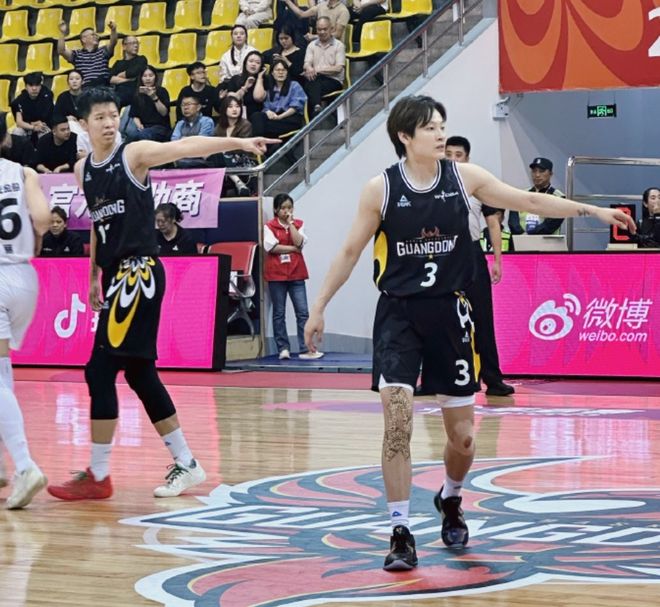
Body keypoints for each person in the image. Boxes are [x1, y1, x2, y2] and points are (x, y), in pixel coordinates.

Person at [303, 95, 635, 571]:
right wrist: (318, 306)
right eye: (430, 127)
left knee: (463, 440)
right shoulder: (381, 189)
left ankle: (451, 497)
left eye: (442, 125)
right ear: (404, 136)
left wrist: (591, 210)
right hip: (398, 315)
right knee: (397, 425)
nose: (440, 134)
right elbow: (350, 251)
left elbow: (527, 199)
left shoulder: (464, 178)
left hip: (451, 314)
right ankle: (400, 532)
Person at [46, 87, 277, 501]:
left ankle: (101, 474)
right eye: (99, 117)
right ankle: (184, 461)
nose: (109, 123)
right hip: (115, 276)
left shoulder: (132, 155)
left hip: (140, 273)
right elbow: (100, 225)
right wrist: (94, 275)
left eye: (113, 115)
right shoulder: (84, 170)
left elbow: (185, 146)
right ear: (82, 124)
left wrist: (238, 143)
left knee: (99, 370)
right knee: (138, 373)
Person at [0, 117, 52, 509]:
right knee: (2, 371)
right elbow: (42, 219)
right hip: (25, 276)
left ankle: (25, 465)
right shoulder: (23, 172)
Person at [445, 135, 514, 397]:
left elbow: (493, 224)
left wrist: (497, 259)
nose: (453, 159)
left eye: (458, 155)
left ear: (467, 158)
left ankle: (493, 380)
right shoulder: (431, 185)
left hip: (472, 254)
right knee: (437, 319)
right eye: (448, 154)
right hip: (443, 255)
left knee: (482, 318)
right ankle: (435, 377)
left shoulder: (478, 185)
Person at [264, 194, 323, 360]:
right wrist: (292, 249)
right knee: (279, 313)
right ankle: (283, 348)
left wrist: (291, 225)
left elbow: (299, 242)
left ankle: (306, 348)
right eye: (283, 208)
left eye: (289, 207)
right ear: (276, 209)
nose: (287, 211)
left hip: (297, 274)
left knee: (302, 312)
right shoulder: (269, 226)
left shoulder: (299, 224)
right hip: (276, 275)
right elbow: (272, 247)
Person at [252, 59, 307, 140]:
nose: (281, 72)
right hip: (275, 119)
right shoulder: (270, 89)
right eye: (277, 70)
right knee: (256, 116)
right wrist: (268, 112)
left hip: (290, 118)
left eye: (283, 70)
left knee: (262, 127)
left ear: (287, 72)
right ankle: (261, 143)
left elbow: (295, 107)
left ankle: (258, 143)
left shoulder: (294, 85)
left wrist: (280, 117)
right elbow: (266, 107)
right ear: (272, 73)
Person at [509, 157, 566, 235]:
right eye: (534, 171)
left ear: (550, 174)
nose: (537, 175)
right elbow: (513, 223)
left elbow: (549, 226)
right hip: (521, 241)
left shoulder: (559, 197)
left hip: (546, 241)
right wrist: (522, 236)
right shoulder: (520, 195)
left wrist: (529, 235)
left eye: (541, 171)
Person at [302, 17, 345, 117]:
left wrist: (316, 70)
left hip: (333, 80)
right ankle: (316, 107)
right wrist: (309, 68)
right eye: (319, 29)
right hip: (316, 78)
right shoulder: (311, 45)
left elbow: (338, 68)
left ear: (331, 29)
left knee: (311, 83)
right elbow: (306, 63)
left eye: (325, 29)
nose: (322, 32)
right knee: (310, 80)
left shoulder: (339, 45)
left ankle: (314, 112)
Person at [212, 96, 255, 197]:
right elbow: (213, 143)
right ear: (224, 109)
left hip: (242, 159)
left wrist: (224, 148)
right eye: (230, 106)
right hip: (224, 159)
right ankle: (238, 183)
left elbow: (242, 146)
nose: (234, 109)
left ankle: (238, 182)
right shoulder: (219, 127)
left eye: (237, 106)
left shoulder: (246, 125)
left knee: (222, 154)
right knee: (216, 155)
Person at [58, 21, 118, 88]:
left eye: (96, 35)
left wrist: (113, 30)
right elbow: (61, 51)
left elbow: (113, 42)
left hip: (103, 88)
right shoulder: (77, 54)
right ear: (84, 39)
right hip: (86, 89)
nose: (97, 37)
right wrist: (62, 33)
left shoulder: (103, 51)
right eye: (93, 35)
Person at [125, 66, 171, 143]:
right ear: (141, 78)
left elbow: (164, 113)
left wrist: (154, 97)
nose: (148, 78)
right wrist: (139, 125)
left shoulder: (162, 91)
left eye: (150, 75)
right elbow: (135, 115)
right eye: (145, 76)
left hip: (161, 127)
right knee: (131, 137)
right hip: (144, 128)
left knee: (143, 135)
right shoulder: (137, 94)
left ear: (155, 77)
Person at [216, 51, 266, 120]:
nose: (253, 64)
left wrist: (260, 77)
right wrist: (245, 87)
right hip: (237, 117)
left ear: (261, 66)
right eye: (251, 61)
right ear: (245, 63)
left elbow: (258, 98)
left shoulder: (265, 80)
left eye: (257, 63)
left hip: (257, 117)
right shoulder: (236, 79)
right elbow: (232, 100)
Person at [10, 72, 54, 146]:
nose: (34, 88)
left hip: (43, 126)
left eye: (37, 85)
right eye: (31, 85)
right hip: (27, 127)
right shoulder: (20, 100)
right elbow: (19, 122)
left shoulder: (47, 95)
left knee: (45, 133)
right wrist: (33, 126)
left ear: (41, 86)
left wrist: (39, 125)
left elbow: (50, 117)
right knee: (17, 132)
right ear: (26, 86)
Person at [171, 95, 215, 168]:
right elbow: (174, 143)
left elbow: (200, 143)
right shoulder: (180, 124)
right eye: (183, 105)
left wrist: (183, 139)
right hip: (182, 162)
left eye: (189, 104)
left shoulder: (206, 121)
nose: (185, 108)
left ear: (198, 107)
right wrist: (191, 140)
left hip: (202, 162)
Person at [283, 0, 350, 43]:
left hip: (334, 46)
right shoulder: (321, 5)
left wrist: (314, 37)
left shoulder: (343, 11)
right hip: (319, 44)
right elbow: (301, 14)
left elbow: (337, 34)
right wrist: (288, 1)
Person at [109, 36, 148, 108]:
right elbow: (110, 79)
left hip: (135, 92)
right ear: (124, 46)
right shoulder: (118, 63)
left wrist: (120, 76)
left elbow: (133, 72)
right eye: (132, 43)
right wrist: (129, 79)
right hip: (119, 94)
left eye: (137, 43)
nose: (136, 45)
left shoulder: (141, 59)